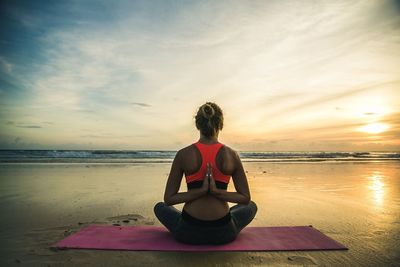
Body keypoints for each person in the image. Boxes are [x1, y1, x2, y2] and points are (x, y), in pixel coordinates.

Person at [154, 102, 257, 245]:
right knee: (251, 206)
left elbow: (169, 199)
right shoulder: (232, 155)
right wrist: (216, 192)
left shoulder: (183, 154)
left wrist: (200, 191)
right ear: (220, 125)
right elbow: (245, 198)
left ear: (197, 125)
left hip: (188, 231)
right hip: (224, 232)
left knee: (160, 207)